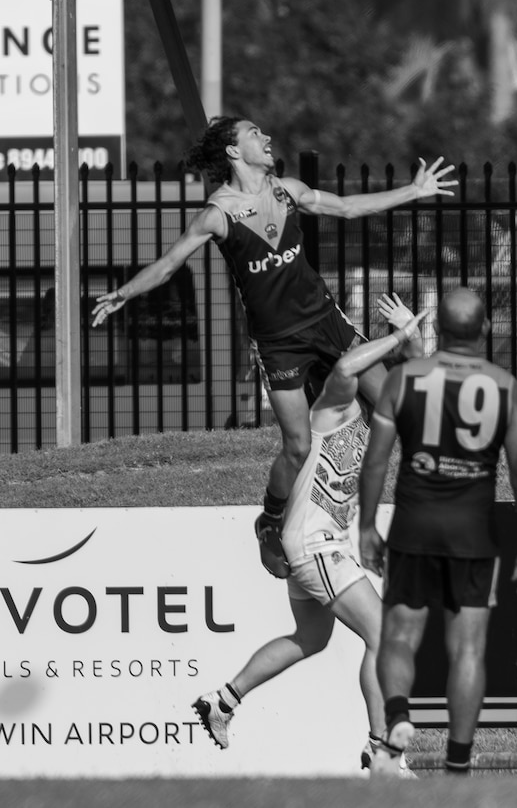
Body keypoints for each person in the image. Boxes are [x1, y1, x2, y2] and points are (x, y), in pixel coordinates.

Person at [91, 116, 456, 577]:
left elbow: (345, 206)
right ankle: (270, 519)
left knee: (391, 404)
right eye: (255, 134)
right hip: (279, 344)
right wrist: (123, 294)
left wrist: (412, 191)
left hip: (326, 323)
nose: (267, 139)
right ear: (232, 150)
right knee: (298, 446)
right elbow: (167, 265)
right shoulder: (217, 214)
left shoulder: (287, 189)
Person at [192, 293, 428, 776]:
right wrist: (396, 338)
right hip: (315, 544)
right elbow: (345, 369)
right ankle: (382, 747)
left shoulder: (369, 416)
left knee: (311, 638)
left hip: (323, 543)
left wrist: (414, 341)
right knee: (384, 634)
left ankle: (224, 699)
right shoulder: (330, 408)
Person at [358, 286, 517, 777]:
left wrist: (366, 526)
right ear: (485, 329)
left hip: (415, 523)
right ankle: (458, 762)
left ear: (443, 327)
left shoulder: (406, 378)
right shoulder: (505, 386)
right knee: (468, 651)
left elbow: (375, 461)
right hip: (473, 531)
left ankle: (397, 717)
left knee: (397, 638)